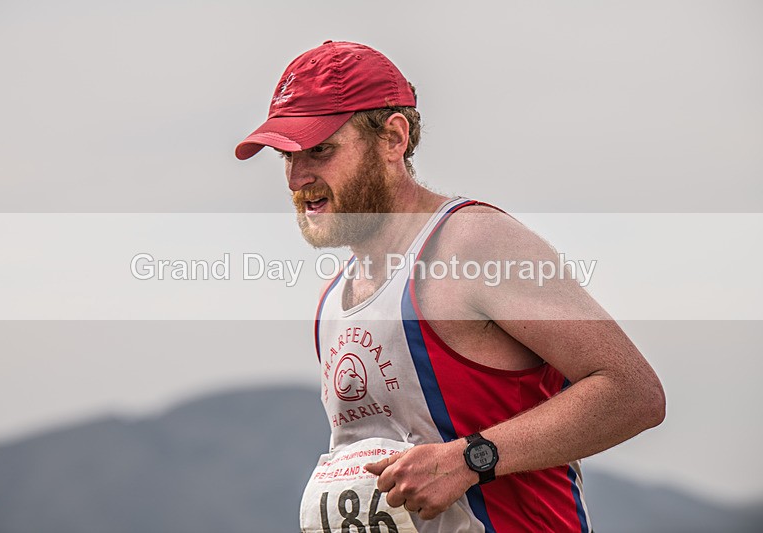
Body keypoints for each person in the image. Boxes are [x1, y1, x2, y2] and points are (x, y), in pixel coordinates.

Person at [236, 40, 665, 533]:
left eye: (320, 150)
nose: (297, 178)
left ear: (393, 139)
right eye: (285, 156)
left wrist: (468, 460)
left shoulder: (472, 243)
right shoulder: (334, 298)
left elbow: (634, 392)